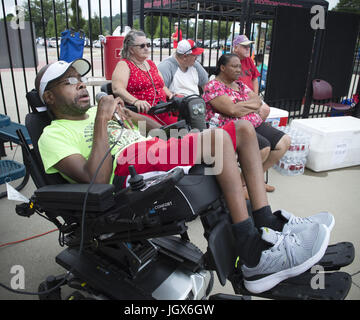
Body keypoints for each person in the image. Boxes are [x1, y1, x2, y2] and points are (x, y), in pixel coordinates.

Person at [36, 58, 334, 294]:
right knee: (218, 140)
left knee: (243, 130)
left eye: (80, 79)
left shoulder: (102, 115)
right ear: (49, 97)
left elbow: (154, 130)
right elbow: (97, 181)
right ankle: (252, 255)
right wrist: (102, 120)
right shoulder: (52, 135)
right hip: (126, 171)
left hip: (151, 150)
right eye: (69, 82)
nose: (80, 85)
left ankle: (266, 222)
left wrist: (131, 117)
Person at [203, 54, 291, 194]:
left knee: (284, 142)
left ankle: (250, 182)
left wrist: (240, 106)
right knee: (263, 148)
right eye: (234, 66)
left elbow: (258, 102)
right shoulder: (213, 86)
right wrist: (246, 107)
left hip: (252, 123)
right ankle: (241, 188)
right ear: (222, 67)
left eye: (240, 66)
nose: (239, 70)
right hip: (232, 128)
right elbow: (231, 110)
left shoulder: (240, 85)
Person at [111, 29, 178, 126]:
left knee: (182, 128)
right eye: (142, 46)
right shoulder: (124, 64)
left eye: (148, 45)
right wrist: (136, 101)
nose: (146, 48)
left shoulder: (151, 64)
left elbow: (161, 86)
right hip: (143, 114)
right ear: (131, 49)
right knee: (163, 134)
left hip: (163, 109)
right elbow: (117, 89)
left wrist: (171, 95)